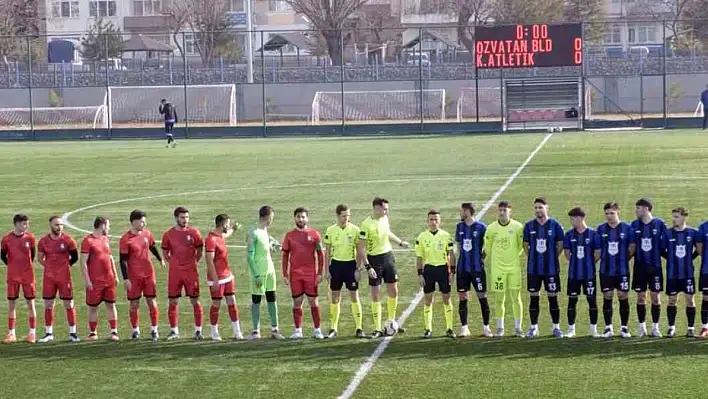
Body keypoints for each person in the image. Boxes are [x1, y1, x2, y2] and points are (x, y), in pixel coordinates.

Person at [358, 197, 410, 338]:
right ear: (376, 208)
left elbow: (387, 233)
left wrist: (400, 242)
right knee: (376, 293)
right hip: (375, 260)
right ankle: (377, 328)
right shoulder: (366, 224)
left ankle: (391, 322)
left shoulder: (384, 219)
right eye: (385, 208)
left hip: (388, 257)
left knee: (394, 290)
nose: (387, 211)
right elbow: (361, 248)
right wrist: (368, 267)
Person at [119, 210, 165, 342]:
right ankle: (135, 330)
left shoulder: (147, 233)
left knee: (152, 302)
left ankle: (154, 329)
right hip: (134, 276)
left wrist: (159, 258)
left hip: (148, 274)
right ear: (133, 221)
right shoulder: (125, 239)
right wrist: (126, 278)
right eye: (141, 221)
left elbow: (152, 246)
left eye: (145, 221)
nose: (144, 224)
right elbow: (123, 260)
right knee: (134, 304)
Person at [523, 197, 565, 338]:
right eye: (535, 208)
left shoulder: (555, 225)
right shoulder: (529, 226)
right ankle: (534, 327)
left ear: (547, 208)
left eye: (540, 207)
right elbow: (525, 245)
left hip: (551, 269)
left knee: (553, 297)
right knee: (534, 297)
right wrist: (532, 257)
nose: (538, 210)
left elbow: (560, 245)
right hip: (534, 269)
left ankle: (556, 327)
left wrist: (553, 257)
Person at [162, 206, 205, 341]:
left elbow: (200, 250)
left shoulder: (194, 232)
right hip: (175, 273)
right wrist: (173, 263)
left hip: (191, 272)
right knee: (173, 301)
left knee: (195, 301)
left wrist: (194, 262)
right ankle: (174, 331)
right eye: (182, 217)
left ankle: (198, 331)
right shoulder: (168, 234)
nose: (185, 220)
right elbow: (165, 252)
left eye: (187, 217)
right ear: (176, 218)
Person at [282, 207, 325, 340]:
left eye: (303, 217)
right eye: (298, 217)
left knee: (313, 302)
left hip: (310, 274)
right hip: (295, 274)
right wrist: (285, 273)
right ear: (294, 218)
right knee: (297, 302)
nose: (301, 219)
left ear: (307, 218)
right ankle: (298, 330)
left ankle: (317, 329)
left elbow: (320, 254)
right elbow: (285, 255)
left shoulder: (315, 234)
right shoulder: (289, 235)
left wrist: (319, 273)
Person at [483, 201, 524, 338]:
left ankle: (518, 328)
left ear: (510, 211)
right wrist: (497, 260)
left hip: (514, 269)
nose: (502, 212)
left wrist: (511, 257)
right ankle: (500, 328)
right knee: (499, 299)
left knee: (516, 298)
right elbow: (487, 247)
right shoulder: (491, 228)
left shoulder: (518, 227)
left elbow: (520, 246)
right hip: (498, 270)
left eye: (504, 210)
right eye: (500, 210)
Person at [323, 204, 364, 339]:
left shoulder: (355, 230)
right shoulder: (330, 230)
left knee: (354, 296)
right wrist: (327, 270)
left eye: (348, 216)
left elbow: (359, 252)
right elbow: (327, 252)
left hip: (350, 266)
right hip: (336, 266)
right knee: (335, 297)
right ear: (338, 216)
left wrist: (358, 269)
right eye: (344, 216)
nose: (346, 218)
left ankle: (359, 327)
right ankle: (333, 328)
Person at [37, 216, 80, 343]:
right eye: (56, 224)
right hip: (49, 278)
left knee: (69, 304)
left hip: (64, 277)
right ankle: (48, 333)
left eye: (61, 224)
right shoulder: (43, 241)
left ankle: (73, 333)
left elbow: (75, 257)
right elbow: (40, 258)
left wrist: (64, 267)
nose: (59, 227)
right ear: (50, 225)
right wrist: (50, 267)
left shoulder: (68, 240)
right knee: (48, 305)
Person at [596, 202, 635, 338]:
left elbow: (632, 247)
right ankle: (608, 328)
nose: (609, 216)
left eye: (612, 213)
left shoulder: (627, 228)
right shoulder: (600, 229)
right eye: (607, 213)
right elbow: (598, 249)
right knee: (607, 296)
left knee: (623, 296)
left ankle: (624, 328)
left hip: (622, 270)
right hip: (605, 271)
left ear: (618, 213)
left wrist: (624, 260)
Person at [416, 210, 456, 339]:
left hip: (443, 269)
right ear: (427, 221)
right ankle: (428, 328)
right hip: (428, 270)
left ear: (440, 221)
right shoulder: (422, 237)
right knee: (428, 300)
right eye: (431, 220)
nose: (433, 222)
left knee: (446, 298)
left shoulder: (446, 236)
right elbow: (419, 257)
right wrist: (420, 274)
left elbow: (451, 254)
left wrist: (452, 272)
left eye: (436, 220)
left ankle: (449, 328)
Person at [247, 206, 285, 340]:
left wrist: (277, 246)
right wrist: (256, 275)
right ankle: (255, 331)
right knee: (256, 300)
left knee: (272, 298)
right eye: (272, 218)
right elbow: (249, 257)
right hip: (259, 272)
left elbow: (270, 246)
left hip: (270, 271)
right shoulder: (253, 233)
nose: (272, 220)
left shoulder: (265, 232)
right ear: (268, 217)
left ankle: (275, 329)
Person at [563, 207, 601, 338]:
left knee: (592, 301)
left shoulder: (593, 234)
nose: (571, 221)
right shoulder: (569, 235)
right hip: (573, 274)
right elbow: (567, 254)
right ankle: (571, 329)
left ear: (580, 218)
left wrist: (588, 264)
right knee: (572, 300)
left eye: (573, 219)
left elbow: (597, 254)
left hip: (589, 274)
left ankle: (593, 330)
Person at [631, 198, 667, 337]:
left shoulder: (659, 224)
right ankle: (642, 327)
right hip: (639, 267)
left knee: (656, 298)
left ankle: (655, 327)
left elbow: (665, 246)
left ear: (646, 209)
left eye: (638, 208)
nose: (636, 211)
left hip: (655, 267)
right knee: (641, 297)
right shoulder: (634, 225)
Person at [81, 217, 120, 341]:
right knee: (93, 307)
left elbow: (110, 257)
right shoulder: (88, 241)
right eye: (108, 225)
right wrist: (87, 280)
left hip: (109, 279)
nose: (109, 228)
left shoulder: (105, 238)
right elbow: (83, 262)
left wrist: (115, 275)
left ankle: (114, 332)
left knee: (111, 304)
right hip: (95, 281)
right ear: (102, 225)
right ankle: (93, 333)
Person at [205, 214, 243, 340]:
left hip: (227, 276)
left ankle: (237, 331)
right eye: (228, 224)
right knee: (216, 304)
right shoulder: (211, 240)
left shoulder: (220, 235)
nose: (228, 226)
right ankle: (214, 332)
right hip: (217, 279)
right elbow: (209, 261)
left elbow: (227, 234)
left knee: (232, 302)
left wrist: (234, 228)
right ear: (222, 224)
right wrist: (215, 279)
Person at [1, 214, 38, 343]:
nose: (26, 226)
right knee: (12, 305)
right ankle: (11, 334)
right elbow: (3, 256)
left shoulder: (30, 238)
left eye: (27, 223)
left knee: (31, 303)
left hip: (28, 276)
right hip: (13, 276)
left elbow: (32, 255)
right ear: (16, 224)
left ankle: (32, 333)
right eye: (24, 223)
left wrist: (24, 267)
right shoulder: (6, 239)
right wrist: (13, 266)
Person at [455, 202, 489, 337]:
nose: (460, 213)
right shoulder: (460, 226)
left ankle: (486, 327)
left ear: (467, 211)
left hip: (477, 269)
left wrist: (482, 257)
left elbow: (487, 245)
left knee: (482, 296)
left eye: (461, 211)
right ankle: (464, 327)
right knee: (463, 297)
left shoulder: (481, 227)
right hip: (463, 268)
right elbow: (458, 244)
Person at [662, 207, 698, 338]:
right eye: (673, 216)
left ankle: (691, 328)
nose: (674, 219)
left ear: (684, 217)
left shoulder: (693, 232)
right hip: (672, 274)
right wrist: (671, 259)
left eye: (676, 217)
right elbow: (661, 250)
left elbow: (698, 249)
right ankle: (671, 327)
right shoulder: (667, 233)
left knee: (690, 300)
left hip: (687, 274)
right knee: (672, 300)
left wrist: (690, 258)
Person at [697, 217, 708, 337]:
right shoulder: (703, 227)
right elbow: (700, 250)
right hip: (707, 269)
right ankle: (705, 327)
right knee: (706, 298)